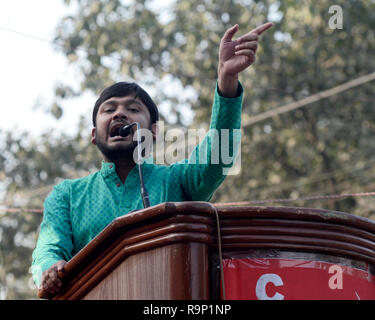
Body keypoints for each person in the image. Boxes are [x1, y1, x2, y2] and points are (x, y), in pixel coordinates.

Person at [32, 22, 273, 298]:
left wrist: (226, 79)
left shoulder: (176, 182)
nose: (119, 114)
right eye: (109, 109)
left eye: (133, 109)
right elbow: (48, 249)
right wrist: (49, 269)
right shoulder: (67, 196)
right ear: (93, 135)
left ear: (154, 132)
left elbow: (218, 157)